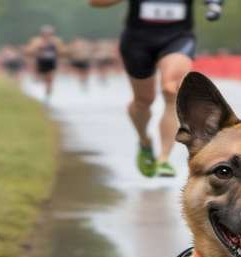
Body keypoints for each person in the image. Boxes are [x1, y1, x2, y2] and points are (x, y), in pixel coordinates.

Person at [89, 0, 223, 178]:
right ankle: (145, 141)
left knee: (171, 89)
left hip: (178, 37)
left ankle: (164, 159)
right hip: (137, 42)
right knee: (143, 101)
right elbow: (96, 3)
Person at [25, 25, 64, 99]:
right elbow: (29, 51)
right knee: (42, 77)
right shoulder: (36, 41)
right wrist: (38, 48)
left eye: (49, 33)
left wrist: (59, 53)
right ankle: (38, 78)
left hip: (51, 62)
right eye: (45, 33)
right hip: (40, 62)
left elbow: (62, 51)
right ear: (42, 34)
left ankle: (47, 95)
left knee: (50, 79)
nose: (47, 35)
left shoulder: (56, 41)